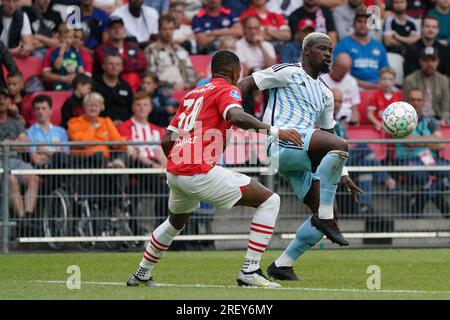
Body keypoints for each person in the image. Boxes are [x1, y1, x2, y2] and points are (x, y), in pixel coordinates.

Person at [126, 50, 302, 288]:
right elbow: (237, 116)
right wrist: (275, 131)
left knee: (174, 223)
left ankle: (141, 273)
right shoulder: (227, 89)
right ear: (234, 72)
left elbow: (167, 139)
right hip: (196, 170)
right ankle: (250, 270)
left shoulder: (192, 94)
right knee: (269, 200)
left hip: (176, 171)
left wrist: (179, 163)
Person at [238, 32, 363, 281]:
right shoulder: (287, 71)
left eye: (330, 50)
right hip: (281, 144)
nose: (328, 54)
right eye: (322, 49)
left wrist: (343, 172)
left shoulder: (326, 93)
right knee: (340, 147)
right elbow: (245, 85)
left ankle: (282, 264)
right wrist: (231, 112)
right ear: (306, 51)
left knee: (327, 212)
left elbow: (329, 136)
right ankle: (326, 218)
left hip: (303, 154)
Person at [332, 88, 396, 215]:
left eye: (340, 101)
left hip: (344, 160)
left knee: (367, 164)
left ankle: (365, 206)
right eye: (335, 101)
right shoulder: (320, 119)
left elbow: (346, 142)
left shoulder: (339, 123)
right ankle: (388, 180)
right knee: (363, 147)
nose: (337, 104)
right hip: (331, 163)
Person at [395, 89, 450, 218]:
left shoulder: (430, 121)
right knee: (424, 177)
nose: (415, 102)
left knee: (446, 172)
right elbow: (407, 141)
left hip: (430, 160)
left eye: (419, 100)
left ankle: (416, 209)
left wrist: (418, 141)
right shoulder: (398, 119)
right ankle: (445, 211)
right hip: (407, 160)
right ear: (407, 102)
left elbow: (441, 144)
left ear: (423, 102)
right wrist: (430, 139)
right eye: (412, 99)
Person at [0, 87, 39, 228]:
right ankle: (23, 221)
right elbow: (20, 143)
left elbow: (25, 145)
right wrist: (15, 142)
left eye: (4, 98)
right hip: (0, 164)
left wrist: (6, 145)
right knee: (10, 180)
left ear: (9, 101)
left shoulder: (16, 124)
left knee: (33, 178)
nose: (1, 101)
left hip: (17, 161)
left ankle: (27, 217)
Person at [67, 92, 135, 168]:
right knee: (98, 155)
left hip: (104, 159)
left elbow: (116, 140)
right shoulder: (74, 122)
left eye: (96, 106)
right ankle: (110, 166)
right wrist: (92, 127)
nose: (93, 108)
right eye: (90, 105)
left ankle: (115, 164)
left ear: (101, 108)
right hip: (84, 161)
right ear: (84, 107)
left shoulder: (106, 121)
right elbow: (83, 142)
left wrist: (127, 146)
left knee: (125, 152)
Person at [333, 6, 389, 90]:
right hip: (353, 86)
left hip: (378, 86)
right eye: (359, 21)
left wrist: (381, 83)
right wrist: (365, 85)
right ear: (353, 23)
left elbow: (385, 70)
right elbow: (340, 73)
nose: (363, 25)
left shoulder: (378, 45)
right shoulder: (344, 44)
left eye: (366, 22)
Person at [144, 14, 197, 93]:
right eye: (164, 29)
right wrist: (172, 85)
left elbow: (190, 72)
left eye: (171, 29)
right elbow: (151, 75)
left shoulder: (181, 50)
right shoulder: (151, 50)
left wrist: (188, 84)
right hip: (162, 89)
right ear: (159, 30)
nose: (168, 32)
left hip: (184, 88)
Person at [94, 16, 148, 91]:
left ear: (124, 30)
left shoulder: (133, 46)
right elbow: (108, 67)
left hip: (135, 84)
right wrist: (132, 62)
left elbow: (143, 64)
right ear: (108, 31)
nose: (117, 30)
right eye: (113, 28)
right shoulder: (101, 49)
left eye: (119, 27)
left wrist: (121, 63)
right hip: (109, 85)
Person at [403, 46, 450, 124]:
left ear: (438, 62)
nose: (430, 64)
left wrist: (443, 120)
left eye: (433, 60)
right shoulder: (409, 80)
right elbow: (407, 105)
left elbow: (446, 105)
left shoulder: (443, 80)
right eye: (426, 60)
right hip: (417, 118)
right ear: (420, 62)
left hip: (438, 117)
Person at [27, 94, 69, 167]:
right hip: (39, 171)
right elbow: (36, 160)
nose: (40, 111)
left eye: (44, 108)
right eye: (37, 108)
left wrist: (47, 151)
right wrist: (56, 153)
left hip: (60, 171)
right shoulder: (29, 133)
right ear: (33, 112)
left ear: (51, 111)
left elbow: (66, 157)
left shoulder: (62, 132)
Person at [93, 52, 133, 126]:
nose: (114, 66)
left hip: (124, 126)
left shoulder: (126, 86)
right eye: (111, 64)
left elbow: (131, 108)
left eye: (117, 64)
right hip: (100, 125)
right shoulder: (94, 84)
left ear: (121, 67)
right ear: (103, 66)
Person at [42, 24, 85, 91]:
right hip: (58, 86)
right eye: (65, 37)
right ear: (59, 37)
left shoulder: (76, 53)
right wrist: (61, 52)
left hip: (73, 86)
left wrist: (76, 78)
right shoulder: (54, 52)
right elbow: (57, 66)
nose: (68, 40)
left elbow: (81, 70)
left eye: (70, 38)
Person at [321, 53, 360, 124]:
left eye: (346, 71)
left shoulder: (352, 82)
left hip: (347, 123)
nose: (343, 74)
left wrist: (354, 123)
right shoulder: (321, 81)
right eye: (341, 70)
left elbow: (355, 109)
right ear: (333, 66)